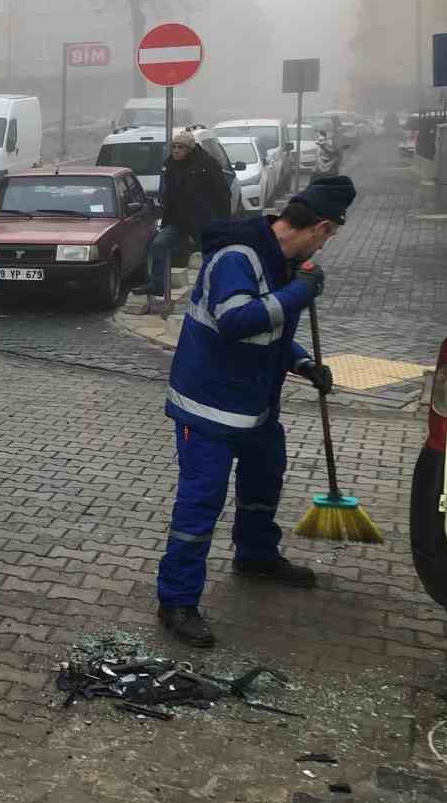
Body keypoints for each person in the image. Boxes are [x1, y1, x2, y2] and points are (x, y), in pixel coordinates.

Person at [155, 176, 356, 648]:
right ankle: (177, 601)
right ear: (321, 227)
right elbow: (237, 321)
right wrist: (300, 293)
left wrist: (303, 362)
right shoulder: (238, 257)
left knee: (265, 479)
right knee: (200, 504)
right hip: (209, 408)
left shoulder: (277, 260)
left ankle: (256, 555)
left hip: (255, 406)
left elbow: (272, 328)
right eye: (329, 236)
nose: (324, 247)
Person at [135, 129, 231, 301]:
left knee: (211, 255)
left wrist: (220, 221)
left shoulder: (207, 164)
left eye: (181, 147)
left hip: (203, 220)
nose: (176, 150)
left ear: (190, 149)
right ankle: (157, 284)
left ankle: (218, 288)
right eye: (174, 147)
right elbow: (165, 192)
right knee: (158, 244)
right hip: (177, 221)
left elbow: (224, 194)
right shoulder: (169, 165)